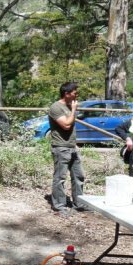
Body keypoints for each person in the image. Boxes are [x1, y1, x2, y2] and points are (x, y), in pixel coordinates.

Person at [48, 82, 86, 214]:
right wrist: (74, 110)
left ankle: (79, 203)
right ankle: (59, 205)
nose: (77, 95)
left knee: (78, 175)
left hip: (71, 147)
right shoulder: (56, 107)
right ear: (67, 93)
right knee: (60, 178)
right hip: (61, 147)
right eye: (75, 93)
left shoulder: (68, 106)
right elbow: (66, 125)